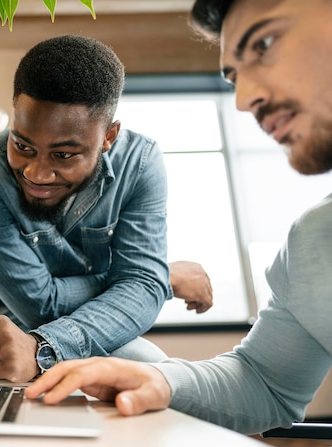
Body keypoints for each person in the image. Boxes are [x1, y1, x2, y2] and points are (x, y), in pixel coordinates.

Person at [24, 0, 332, 436]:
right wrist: (160, 379)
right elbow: (266, 384)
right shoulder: (314, 241)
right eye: (234, 77)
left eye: (264, 43)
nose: (244, 100)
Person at [0, 35, 212, 384]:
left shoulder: (139, 163)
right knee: (146, 364)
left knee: (155, 372)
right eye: (22, 144)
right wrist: (162, 279)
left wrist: (146, 282)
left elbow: (140, 285)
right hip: (1, 341)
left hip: (90, 327)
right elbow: (40, 305)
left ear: (108, 136)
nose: (36, 173)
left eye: (64, 155)